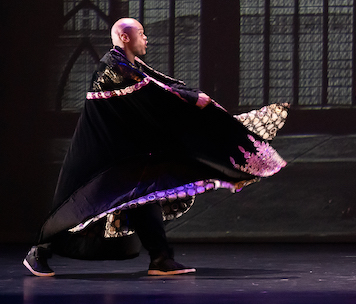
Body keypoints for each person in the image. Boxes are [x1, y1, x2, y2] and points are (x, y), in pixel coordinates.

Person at [23, 18, 288, 277]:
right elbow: (154, 92)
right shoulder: (112, 66)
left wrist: (196, 100)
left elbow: (164, 84)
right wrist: (193, 99)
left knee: (144, 195)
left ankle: (161, 258)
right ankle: (38, 252)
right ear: (125, 37)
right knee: (74, 203)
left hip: (126, 152)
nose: (146, 37)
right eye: (141, 33)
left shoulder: (132, 64)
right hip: (97, 154)